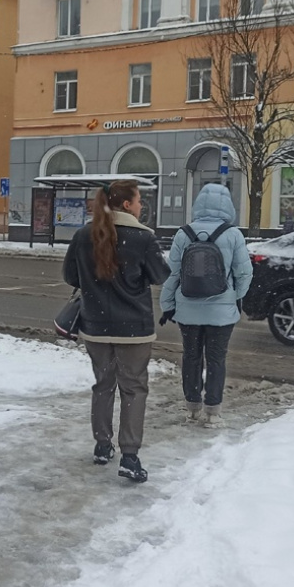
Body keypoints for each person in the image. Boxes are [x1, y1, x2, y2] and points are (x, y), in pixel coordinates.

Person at [62, 180, 170, 483]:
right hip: (134, 330)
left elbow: (70, 275)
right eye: (137, 201)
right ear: (126, 205)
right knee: (134, 389)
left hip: (95, 327)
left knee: (103, 385)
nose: (140, 206)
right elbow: (160, 274)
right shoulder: (142, 238)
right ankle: (130, 456)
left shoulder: (84, 235)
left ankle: (102, 445)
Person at [160, 184, 253, 428]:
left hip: (187, 309)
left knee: (191, 357)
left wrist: (167, 304)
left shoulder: (184, 234)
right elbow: (244, 273)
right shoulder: (233, 235)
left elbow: (172, 275)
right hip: (221, 312)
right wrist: (235, 297)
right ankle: (213, 412)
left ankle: (192, 407)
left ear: (198, 204)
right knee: (216, 359)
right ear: (227, 206)